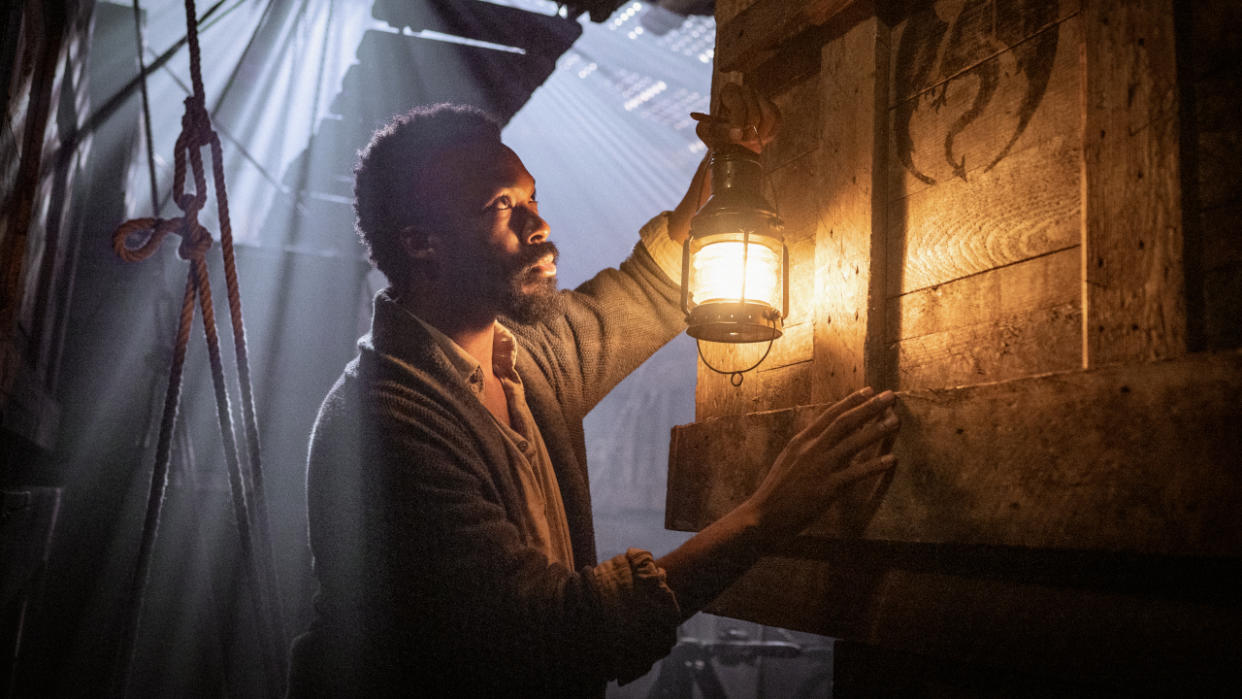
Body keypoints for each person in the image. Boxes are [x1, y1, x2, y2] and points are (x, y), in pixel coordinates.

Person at [287, 85, 900, 697]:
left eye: (533, 197)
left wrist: (726, 166)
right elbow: (557, 631)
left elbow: (640, 293)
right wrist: (767, 515)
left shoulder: (522, 358)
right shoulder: (385, 427)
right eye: (502, 206)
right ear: (421, 242)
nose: (540, 224)